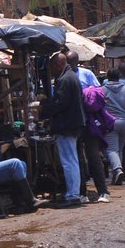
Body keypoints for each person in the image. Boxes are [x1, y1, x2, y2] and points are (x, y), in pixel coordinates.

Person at [38, 51, 86, 207]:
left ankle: (73, 195)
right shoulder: (70, 77)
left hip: (67, 125)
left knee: (69, 161)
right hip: (71, 124)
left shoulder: (65, 79)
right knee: (71, 160)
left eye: (52, 67)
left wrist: (43, 109)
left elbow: (60, 104)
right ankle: (73, 193)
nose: (51, 71)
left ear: (58, 64)